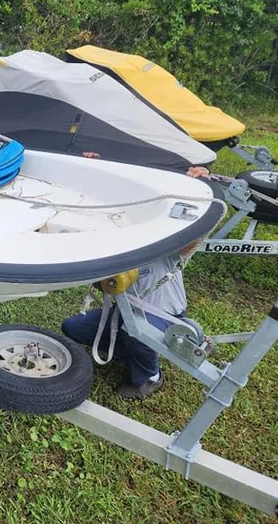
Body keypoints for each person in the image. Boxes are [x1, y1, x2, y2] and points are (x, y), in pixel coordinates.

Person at [62, 156, 211, 399]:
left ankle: (150, 377)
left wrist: (203, 189)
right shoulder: (113, 244)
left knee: (136, 331)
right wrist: (96, 169)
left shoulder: (165, 245)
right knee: (73, 327)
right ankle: (130, 348)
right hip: (125, 313)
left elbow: (194, 233)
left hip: (164, 315)